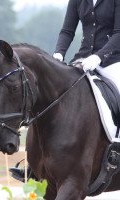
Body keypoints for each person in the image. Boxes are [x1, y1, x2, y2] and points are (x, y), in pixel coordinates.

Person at [10, 0, 120, 182]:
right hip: (83, 60)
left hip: (112, 61)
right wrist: (59, 53)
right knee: (50, 99)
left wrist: (99, 57)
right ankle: (36, 164)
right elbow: (67, 31)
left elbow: (118, 34)